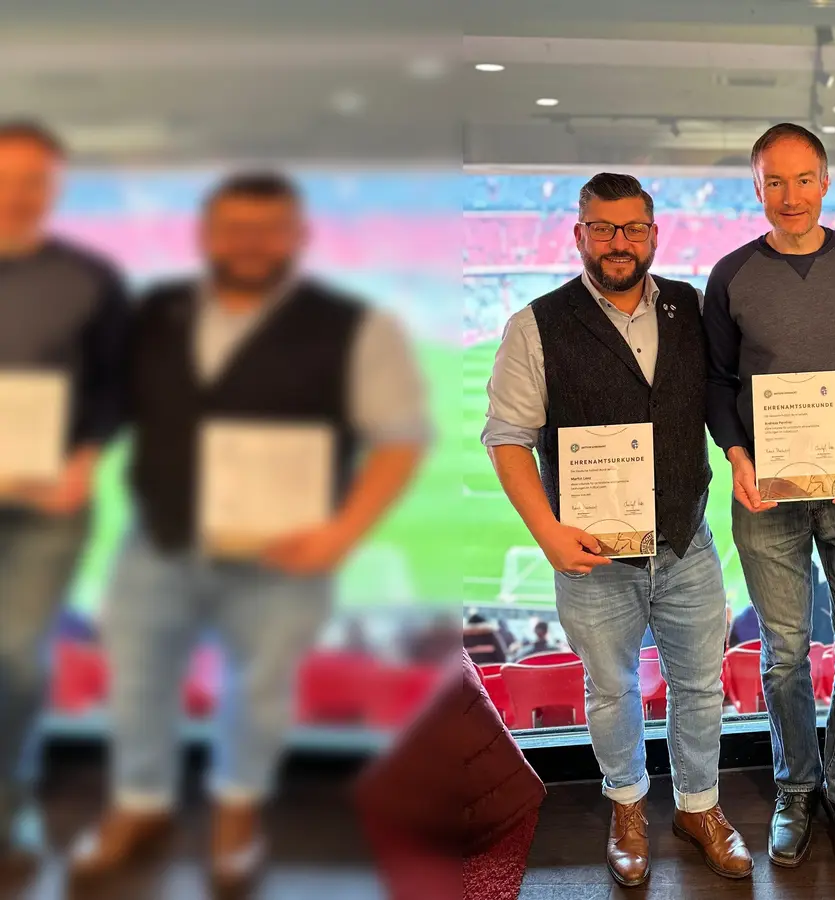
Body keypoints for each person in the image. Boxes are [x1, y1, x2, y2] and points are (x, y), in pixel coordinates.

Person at [67, 171, 430, 889]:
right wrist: (75, 463)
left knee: (259, 690)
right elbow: (103, 406)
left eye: (269, 228)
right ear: (205, 234)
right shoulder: (152, 312)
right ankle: (140, 805)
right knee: (138, 678)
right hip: (161, 537)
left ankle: (237, 810)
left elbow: (400, 437)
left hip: (287, 552)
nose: (250, 244)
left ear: (298, 236)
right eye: (234, 227)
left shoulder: (354, 324)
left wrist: (342, 533)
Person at [483, 172, 751, 885]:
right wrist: (546, 531)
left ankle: (698, 807)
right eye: (602, 228)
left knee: (699, 686)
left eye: (632, 228)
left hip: (686, 542)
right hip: (594, 557)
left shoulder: (690, 310)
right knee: (611, 691)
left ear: (654, 235)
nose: (618, 242)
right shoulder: (536, 324)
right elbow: (508, 438)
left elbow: (727, 402)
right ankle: (627, 808)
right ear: (579, 235)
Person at [703, 123, 835, 888]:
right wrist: (737, 454)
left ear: (825, 182)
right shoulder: (731, 275)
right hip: (767, 493)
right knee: (784, 656)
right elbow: (718, 381)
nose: (790, 196)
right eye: (773, 182)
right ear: (756, 188)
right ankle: (795, 790)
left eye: (803, 179)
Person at [0, 119, 131, 876]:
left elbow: (113, 384)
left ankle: (7, 815)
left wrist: (84, 460)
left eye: (34, 180)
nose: (18, 195)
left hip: (49, 502)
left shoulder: (88, 279)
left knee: (15, 657)